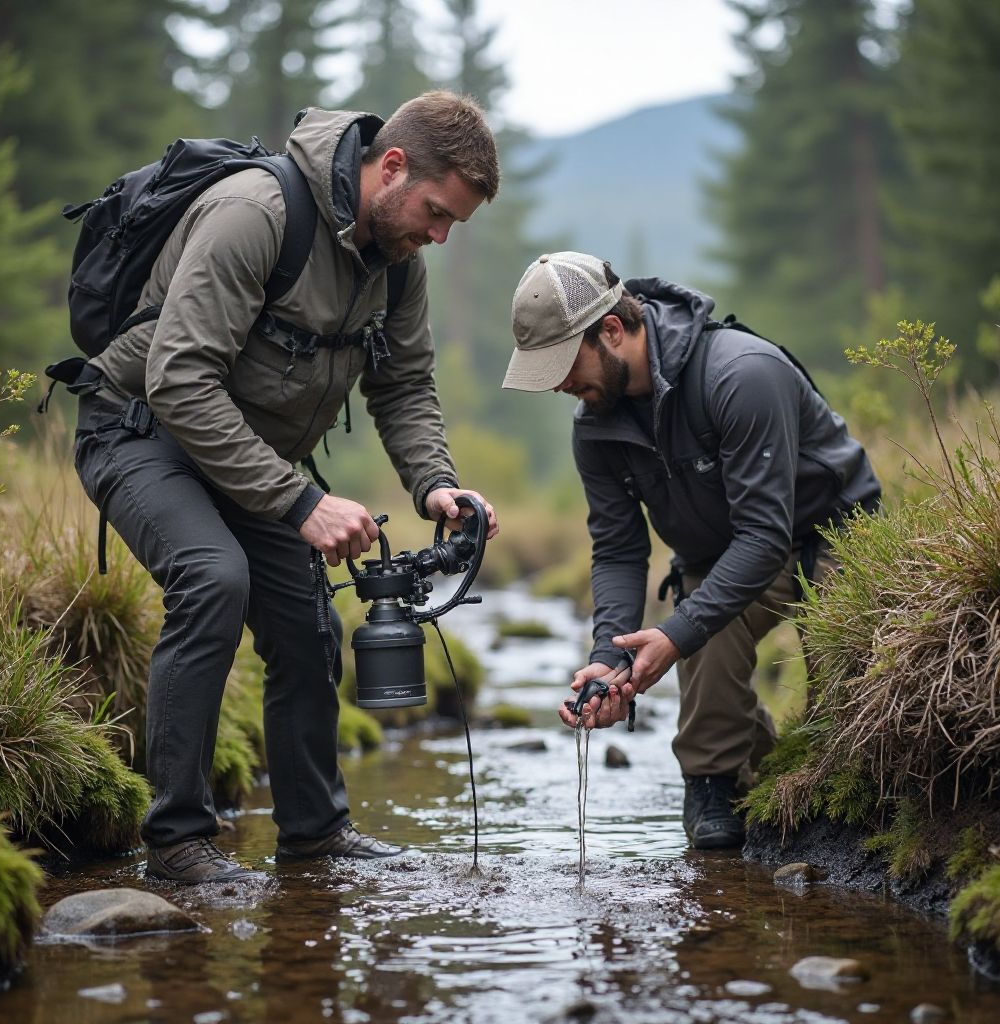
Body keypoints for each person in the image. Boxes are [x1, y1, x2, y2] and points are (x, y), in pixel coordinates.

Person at [68, 92, 501, 882]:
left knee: (307, 621)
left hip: (246, 457)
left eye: (452, 227)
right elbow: (179, 381)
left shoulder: (399, 268)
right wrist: (301, 501)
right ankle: (177, 842)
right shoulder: (257, 213)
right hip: (139, 431)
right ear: (392, 167)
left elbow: (403, 387)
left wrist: (437, 487)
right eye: (436, 213)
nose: (438, 236)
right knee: (212, 575)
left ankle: (315, 834)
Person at [502, 252, 880, 849]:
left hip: (832, 538)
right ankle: (719, 782)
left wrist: (674, 635)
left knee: (844, 731)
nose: (557, 384)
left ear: (611, 329)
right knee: (702, 614)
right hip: (722, 553)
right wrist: (610, 659)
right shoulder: (595, 426)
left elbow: (765, 535)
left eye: (562, 364)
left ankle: (841, 802)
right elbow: (619, 549)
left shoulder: (741, 374)